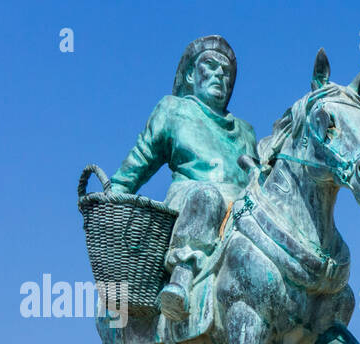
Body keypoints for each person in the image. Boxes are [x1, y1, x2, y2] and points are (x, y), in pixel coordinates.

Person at [107, 36, 258, 323]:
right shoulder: (174, 110)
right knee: (207, 196)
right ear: (191, 74)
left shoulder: (246, 131)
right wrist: (114, 196)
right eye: (210, 66)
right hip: (192, 202)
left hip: (238, 211)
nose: (219, 75)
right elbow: (139, 161)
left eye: (225, 72)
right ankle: (181, 277)